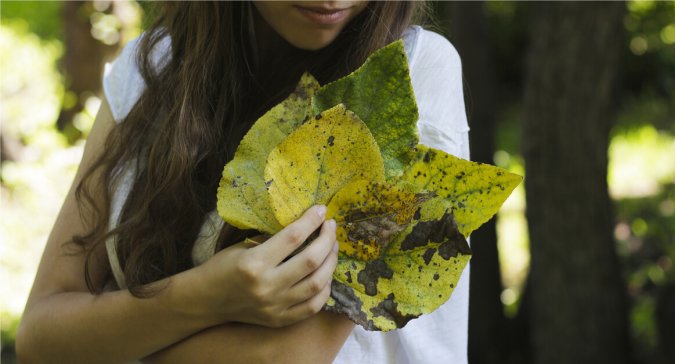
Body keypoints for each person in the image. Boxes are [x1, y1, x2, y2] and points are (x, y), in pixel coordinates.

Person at [16, 2, 471, 363]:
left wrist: (105, 336)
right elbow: (40, 335)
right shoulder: (148, 69)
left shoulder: (411, 69)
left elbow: (284, 357)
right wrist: (206, 296)